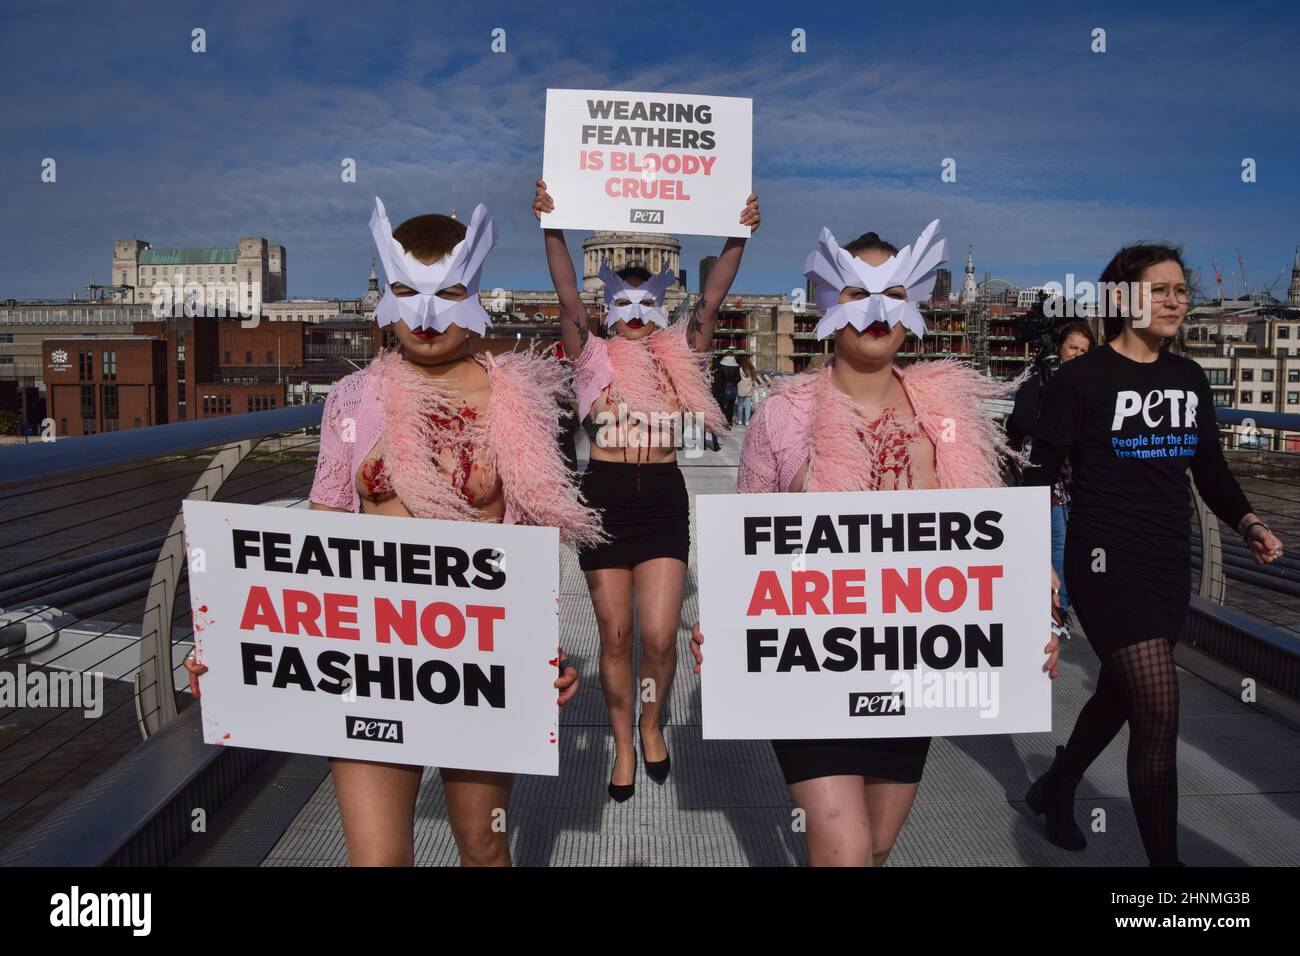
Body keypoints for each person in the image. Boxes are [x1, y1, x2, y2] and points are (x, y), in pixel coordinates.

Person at [187, 198, 604, 867]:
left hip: (473, 658)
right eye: (407, 292)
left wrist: (534, 655)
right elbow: (320, 533)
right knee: (378, 859)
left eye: (448, 293)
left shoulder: (516, 402)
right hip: (366, 660)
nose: (428, 315)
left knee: (483, 844)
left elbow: (524, 548)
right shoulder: (354, 401)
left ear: (475, 295)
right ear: (385, 292)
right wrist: (235, 646)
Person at [691, 220, 1061, 866]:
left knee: (877, 849)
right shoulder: (783, 415)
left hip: (907, 676)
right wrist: (723, 626)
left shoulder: (947, 418)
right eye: (856, 293)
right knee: (845, 854)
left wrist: (1033, 608)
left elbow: (982, 544)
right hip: (807, 679)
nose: (876, 310)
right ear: (826, 303)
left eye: (893, 291)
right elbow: (748, 546)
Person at [1022, 243, 1284, 866]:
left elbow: (1210, 469)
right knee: (1159, 710)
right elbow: (1037, 481)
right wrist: (1039, 566)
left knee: (1120, 690)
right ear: (1122, 298)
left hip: (1170, 562)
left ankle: (1057, 786)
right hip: (1105, 565)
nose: (1174, 300)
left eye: (1180, 289)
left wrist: (1247, 521)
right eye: (1159, 289)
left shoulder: (1188, 379)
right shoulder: (1080, 380)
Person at [534, 178, 759, 800]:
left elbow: (712, 301)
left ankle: (651, 722)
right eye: (623, 304)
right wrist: (551, 226)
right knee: (616, 635)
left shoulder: (677, 355)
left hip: (661, 490)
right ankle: (622, 745)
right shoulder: (591, 353)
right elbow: (562, 292)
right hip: (602, 493)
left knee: (659, 636)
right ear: (607, 304)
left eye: (646, 304)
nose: (634, 316)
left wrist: (737, 234)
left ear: (661, 302)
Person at [1008, 321, 1095, 610]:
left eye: (1084, 351)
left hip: (1074, 477)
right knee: (1056, 542)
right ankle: (1059, 607)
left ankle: (1058, 601)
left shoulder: (1083, 385)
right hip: (1044, 472)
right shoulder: (1040, 377)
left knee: (1068, 542)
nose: (1077, 355)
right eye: (1073, 347)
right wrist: (1058, 430)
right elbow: (1021, 420)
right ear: (1059, 347)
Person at [735, 354, 764, 425]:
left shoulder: (740, 369)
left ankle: (739, 420)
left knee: (740, 405)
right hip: (749, 388)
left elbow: (737, 378)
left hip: (741, 388)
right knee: (748, 406)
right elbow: (754, 379)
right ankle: (747, 421)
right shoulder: (752, 369)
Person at [718, 350, 741, 425]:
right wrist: (734, 382)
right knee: (731, 406)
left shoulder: (721, 364)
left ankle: (723, 421)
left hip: (724, 387)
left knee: (723, 406)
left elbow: (720, 377)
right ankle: (729, 421)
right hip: (733, 388)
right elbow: (739, 378)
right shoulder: (736, 365)